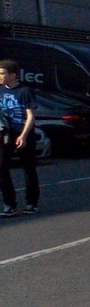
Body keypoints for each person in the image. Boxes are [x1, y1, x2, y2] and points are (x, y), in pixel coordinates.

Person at [0, 58, 39, 217]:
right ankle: (10, 204)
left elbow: (31, 116)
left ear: (13, 75)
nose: (0, 76)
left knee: (28, 169)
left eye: (2, 73)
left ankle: (32, 203)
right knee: (1, 168)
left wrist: (23, 135)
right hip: (6, 134)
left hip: (24, 133)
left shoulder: (25, 91)